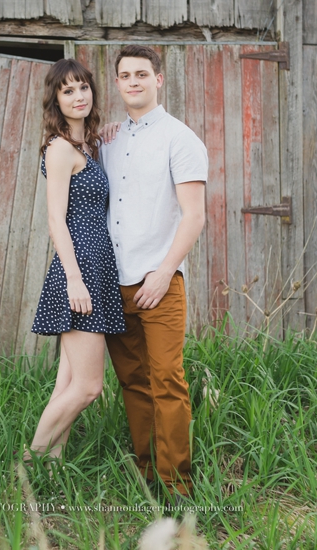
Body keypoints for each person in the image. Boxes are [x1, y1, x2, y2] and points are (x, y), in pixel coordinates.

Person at [100, 44, 208, 497]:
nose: (134, 82)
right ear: (118, 82)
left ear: (159, 79)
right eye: (125, 76)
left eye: (142, 74)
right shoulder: (109, 138)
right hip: (114, 281)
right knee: (132, 381)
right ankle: (146, 475)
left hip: (159, 281)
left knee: (168, 381)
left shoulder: (181, 138)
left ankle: (178, 486)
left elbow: (194, 215)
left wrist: (166, 271)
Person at [26, 59, 126, 464]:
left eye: (83, 87)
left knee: (65, 382)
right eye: (68, 90)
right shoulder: (60, 149)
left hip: (96, 266)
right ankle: (32, 461)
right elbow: (55, 219)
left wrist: (111, 136)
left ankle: (50, 471)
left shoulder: (89, 145)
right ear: (56, 100)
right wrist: (74, 279)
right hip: (79, 269)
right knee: (88, 387)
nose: (78, 96)